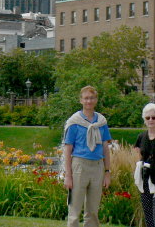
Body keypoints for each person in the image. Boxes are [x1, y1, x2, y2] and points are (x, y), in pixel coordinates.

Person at [63, 86, 112, 227]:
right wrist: (68, 175)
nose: (88, 101)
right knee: (74, 210)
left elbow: (105, 148)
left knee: (93, 211)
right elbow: (67, 149)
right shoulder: (74, 122)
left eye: (91, 98)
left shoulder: (101, 122)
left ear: (96, 100)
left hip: (97, 166)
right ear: (81, 100)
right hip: (79, 165)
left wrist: (107, 172)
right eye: (86, 98)